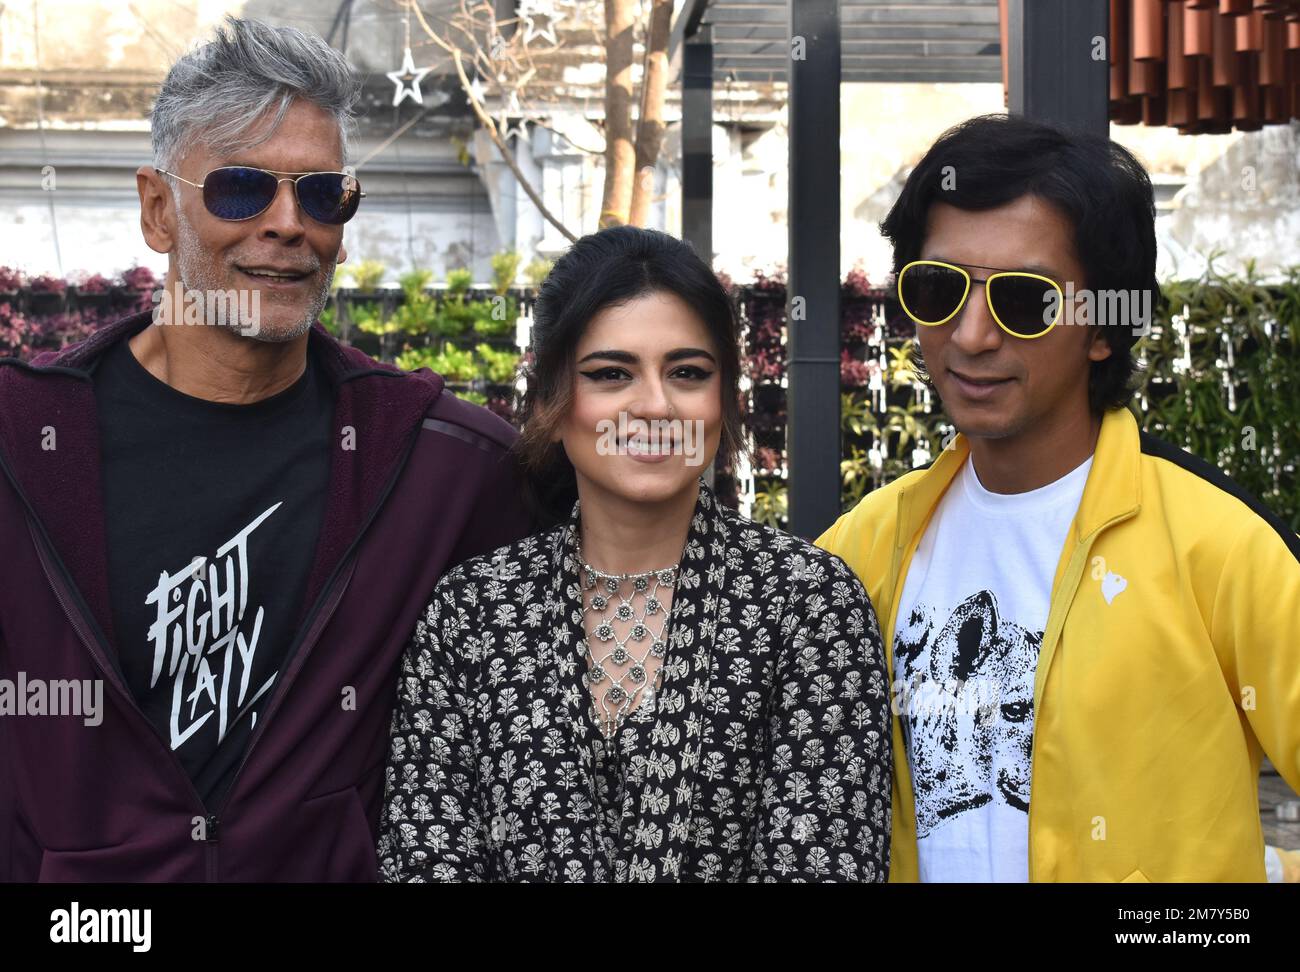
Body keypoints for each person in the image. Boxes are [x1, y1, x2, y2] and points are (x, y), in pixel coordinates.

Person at [0, 17, 531, 882]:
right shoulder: (23, 451)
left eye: (323, 195)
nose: (290, 225)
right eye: (241, 190)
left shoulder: (440, 466)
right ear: (158, 209)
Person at [817, 113, 1300, 882]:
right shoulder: (859, 551)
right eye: (939, 289)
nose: (972, 334)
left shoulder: (1218, 546)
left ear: (1105, 326)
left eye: (1026, 299)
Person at [378, 226, 892, 882]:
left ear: (723, 400)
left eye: (687, 372)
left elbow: (825, 859)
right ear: (554, 403)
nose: (654, 405)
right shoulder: (471, 612)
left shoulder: (807, 601)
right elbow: (427, 857)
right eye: (611, 373)